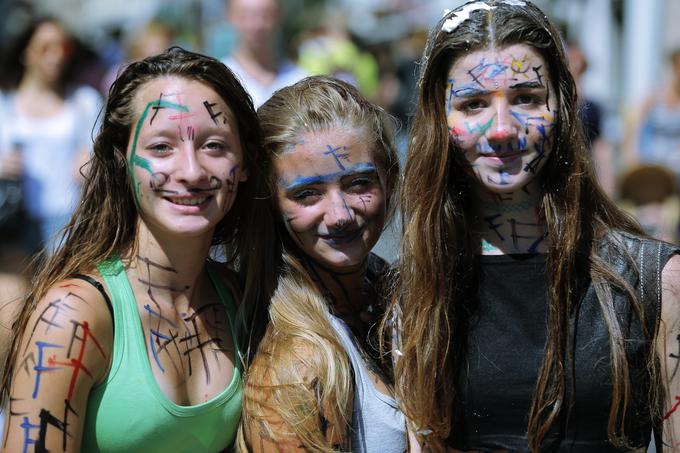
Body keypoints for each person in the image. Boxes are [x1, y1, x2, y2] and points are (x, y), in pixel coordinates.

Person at [386, 1, 680, 452]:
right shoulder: (418, 290)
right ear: (441, 121)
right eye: (474, 103)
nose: (502, 129)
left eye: (526, 98)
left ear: (561, 105)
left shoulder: (655, 280)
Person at [0, 47, 277, 452]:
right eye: (161, 147)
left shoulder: (242, 299)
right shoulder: (74, 318)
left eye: (214, 145)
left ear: (246, 161)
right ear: (121, 160)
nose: (191, 171)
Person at [238, 76, 405, 452]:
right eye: (307, 194)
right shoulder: (293, 364)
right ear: (271, 203)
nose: (340, 214)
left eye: (359, 184)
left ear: (390, 180)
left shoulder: (398, 299)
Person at [0, 17, 102, 254]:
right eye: (45, 47)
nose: (56, 55)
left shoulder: (84, 101)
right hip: (11, 220)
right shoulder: (3, 104)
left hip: (68, 222)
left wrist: (93, 163)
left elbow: (104, 158)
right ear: (25, 52)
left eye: (63, 47)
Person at [221, 0, 308, 108]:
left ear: (279, 15)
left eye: (265, 15)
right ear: (230, 15)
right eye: (245, 15)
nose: (256, 25)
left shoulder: (300, 80)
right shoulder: (220, 78)